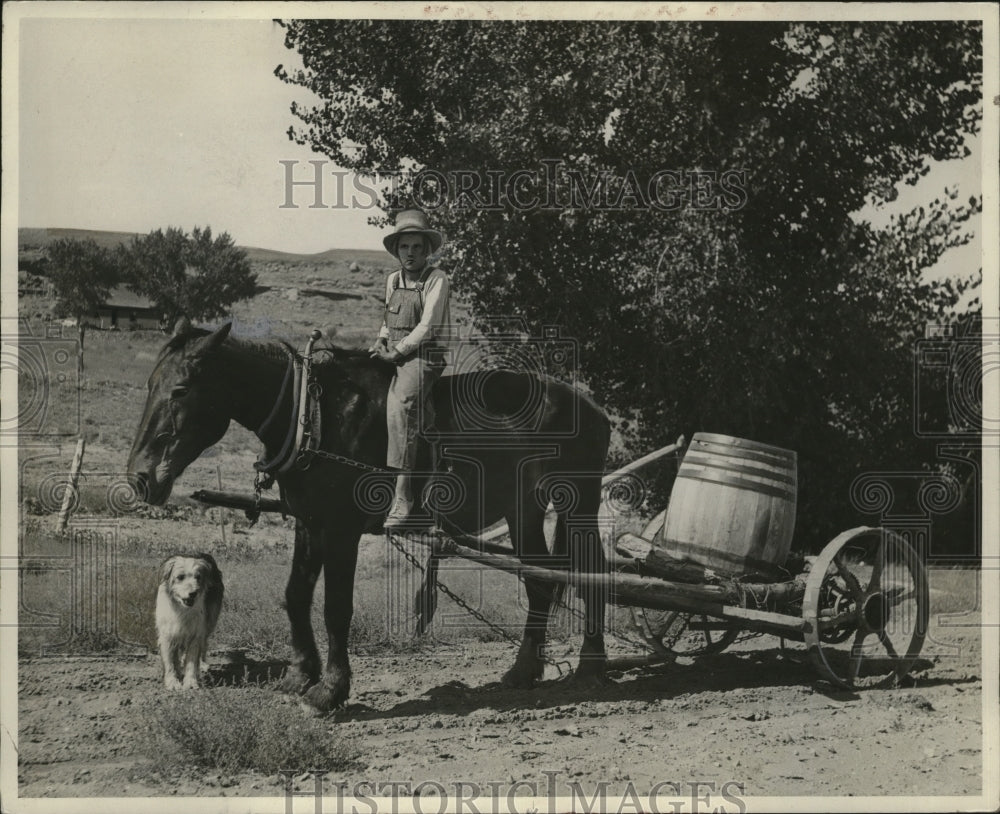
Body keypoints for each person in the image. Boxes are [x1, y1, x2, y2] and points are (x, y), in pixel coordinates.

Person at [369, 208, 451, 528]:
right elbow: (389, 320)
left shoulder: (436, 279)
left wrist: (397, 353)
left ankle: (403, 496)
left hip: (425, 356)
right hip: (398, 352)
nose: (411, 253)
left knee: (402, 405)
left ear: (427, 250)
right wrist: (381, 342)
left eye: (418, 247)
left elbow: (427, 327)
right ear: (397, 249)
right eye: (405, 247)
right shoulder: (393, 280)